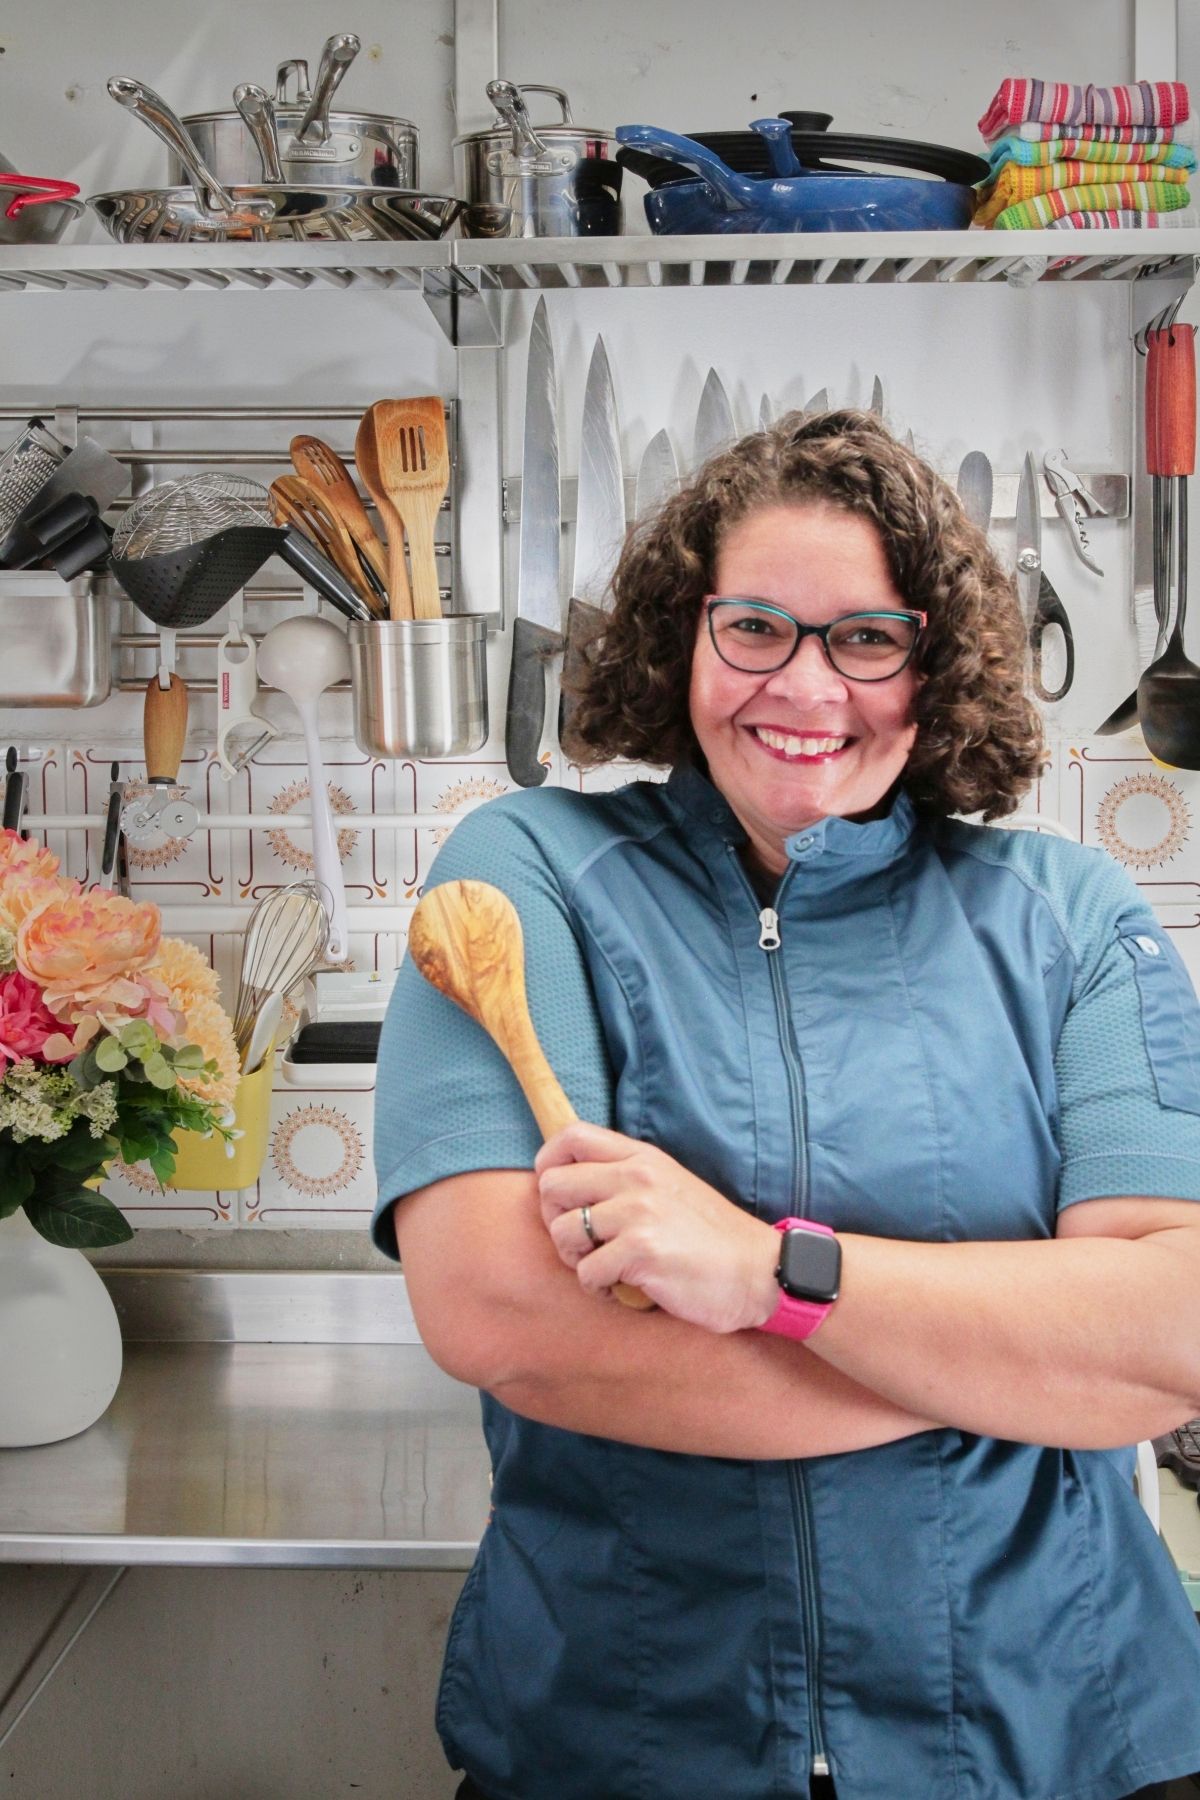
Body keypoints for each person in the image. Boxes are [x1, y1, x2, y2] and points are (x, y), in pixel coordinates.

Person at [371, 409, 1200, 1800]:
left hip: (1052, 1740)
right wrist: (993, 1370)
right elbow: (501, 1315)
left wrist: (772, 1276)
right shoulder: (528, 878)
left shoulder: (1069, 918)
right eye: (755, 627)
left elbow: (1168, 1336)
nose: (808, 687)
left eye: (868, 638)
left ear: (935, 665)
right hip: (629, 1740)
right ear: (682, 637)